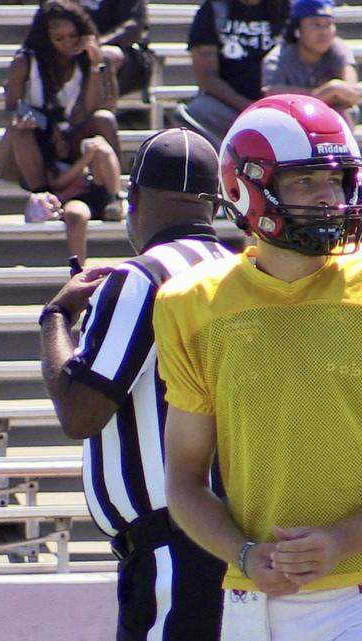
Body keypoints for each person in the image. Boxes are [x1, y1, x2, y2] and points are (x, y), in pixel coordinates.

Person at [154, 94, 362, 641]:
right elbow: (183, 482)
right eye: (304, 183)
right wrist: (245, 554)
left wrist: (342, 541)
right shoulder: (191, 302)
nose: (328, 198)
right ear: (243, 190)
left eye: (337, 180)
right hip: (256, 593)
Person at [39, 128, 232, 641]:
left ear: (136, 196)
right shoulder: (247, 271)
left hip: (173, 548)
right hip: (239, 540)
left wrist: (56, 317)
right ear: (215, 203)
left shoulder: (142, 278)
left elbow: (79, 414)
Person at [0, 0, 125, 267]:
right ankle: (44, 197)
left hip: (65, 141)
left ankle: (113, 193)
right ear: (46, 37)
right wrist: (27, 120)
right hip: (27, 146)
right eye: (59, 38)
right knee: (19, 130)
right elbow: (9, 112)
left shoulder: (86, 60)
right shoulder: (25, 62)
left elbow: (93, 110)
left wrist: (94, 65)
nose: (67, 43)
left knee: (104, 120)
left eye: (73, 37)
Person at [175, 0, 288, 145]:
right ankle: (217, 163)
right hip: (228, 109)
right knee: (196, 112)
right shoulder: (214, 9)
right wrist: (249, 108)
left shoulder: (286, 7)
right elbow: (206, 77)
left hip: (280, 108)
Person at [261, 0, 359, 127]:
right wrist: (330, 90)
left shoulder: (338, 50)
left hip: (330, 120)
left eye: (328, 24)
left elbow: (352, 94)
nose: (323, 32)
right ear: (297, 29)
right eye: (316, 25)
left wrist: (301, 95)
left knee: (343, 112)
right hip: (290, 125)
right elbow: (273, 99)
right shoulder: (277, 58)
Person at [73, 0, 157, 102]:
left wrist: (96, 45)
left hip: (126, 54)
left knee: (105, 56)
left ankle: (98, 112)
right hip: (74, 48)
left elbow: (133, 28)